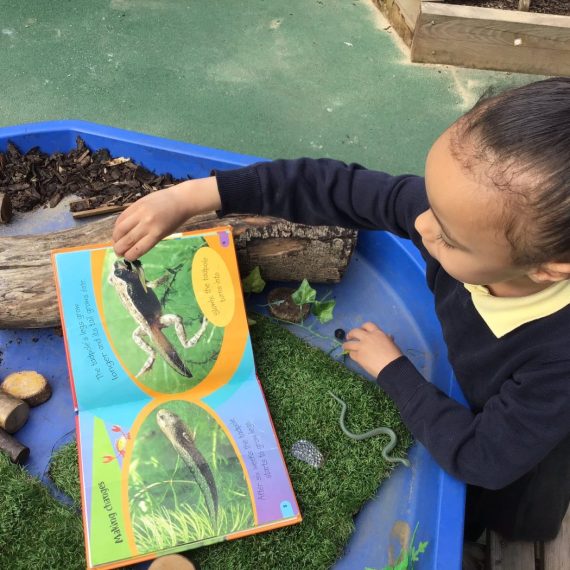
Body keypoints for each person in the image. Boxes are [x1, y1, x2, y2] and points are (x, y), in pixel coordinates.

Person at [113, 78, 570, 547]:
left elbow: (481, 457)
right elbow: (334, 186)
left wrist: (394, 371)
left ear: (548, 270)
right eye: (431, 202)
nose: (419, 223)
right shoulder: (468, 221)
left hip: (535, 454)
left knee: (505, 512)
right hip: (488, 379)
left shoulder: (557, 363)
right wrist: (193, 197)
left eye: (448, 237)